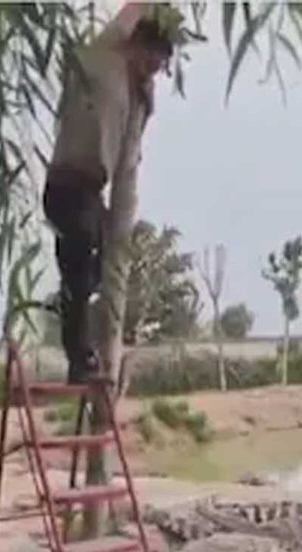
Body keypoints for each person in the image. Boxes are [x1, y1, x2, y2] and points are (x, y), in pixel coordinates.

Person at [43, 3, 179, 383]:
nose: (154, 70)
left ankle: (74, 309)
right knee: (81, 263)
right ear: (135, 45)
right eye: (152, 60)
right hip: (66, 184)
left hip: (91, 193)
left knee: (94, 267)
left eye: (160, 66)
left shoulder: (136, 94)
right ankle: (79, 360)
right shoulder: (103, 57)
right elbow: (128, 15)